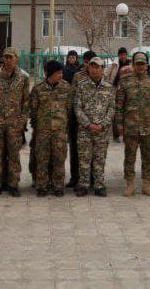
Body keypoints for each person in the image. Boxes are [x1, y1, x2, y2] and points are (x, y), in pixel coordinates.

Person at [115, 51, 150, 197]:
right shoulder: (125, 82)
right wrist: (119, 126)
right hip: (130, 127)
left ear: (146, 65)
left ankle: (146, 184)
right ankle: (130, 184)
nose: (140, 66)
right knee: (129, 156)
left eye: (143, 63)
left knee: (148, 156)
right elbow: (119, 106)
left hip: (148, 127)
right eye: (138, 64)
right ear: (133, 65)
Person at [0, 49, 31, 197]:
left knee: (14, 156)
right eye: (6, 57)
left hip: (14, 124)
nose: (8, 60)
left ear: (16, 58)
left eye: (11, 57)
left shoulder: (23, 77)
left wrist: (22, 122)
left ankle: (13, 184)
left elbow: (26, 102)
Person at [30, 60, 73, 197]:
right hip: (43, 131)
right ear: (49, 74)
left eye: (61, 73)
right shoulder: (38, 88)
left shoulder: (66, 87)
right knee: (42, 159)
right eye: (58, 73)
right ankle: (42, 186)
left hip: (59, 131)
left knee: (59, 159)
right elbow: (33, 109)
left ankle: (58, 186)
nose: (61, 75)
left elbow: (69, 108)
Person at [74, 57, 114, 196]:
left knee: (100, 158)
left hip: (102, 131)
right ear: (88, 68)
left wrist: (102, 125)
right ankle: (84, 185)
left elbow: (112, 108)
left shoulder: (109, 87)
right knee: (84, 158)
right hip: (85, 130)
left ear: (102, 69)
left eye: (97, 67)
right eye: (92, 66)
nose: (94, 69)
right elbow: (77, 108)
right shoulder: (82, 86)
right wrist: (88, 124)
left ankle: (99, 185)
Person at [63, 51, 84, 189]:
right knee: (73, 149)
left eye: (74, 57)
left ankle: (84, 177)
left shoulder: (80, 71)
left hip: (82, 113)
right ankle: (74, 177)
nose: (72, 59)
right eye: (70, 57)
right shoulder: (65, 70)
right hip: (71, 112)